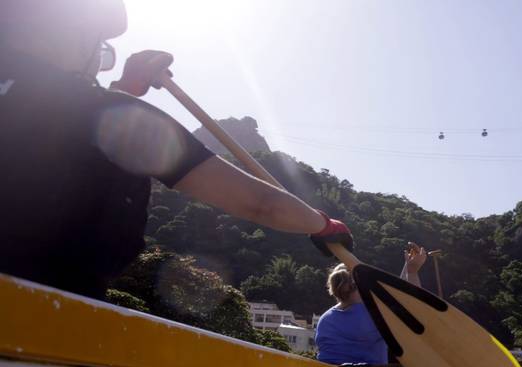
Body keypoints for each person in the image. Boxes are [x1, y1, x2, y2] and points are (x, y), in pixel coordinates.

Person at [0, 0, 353, 300]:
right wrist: (322, 224)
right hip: (41, 320)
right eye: (99, 45)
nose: (98, 57)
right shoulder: (106, 113)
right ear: (71, 35)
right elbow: (262, 204)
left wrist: (121, 91)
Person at [315, 242, 428, 367]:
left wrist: (407, 267)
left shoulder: (325, 319)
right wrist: (412, 272)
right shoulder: (373, 315)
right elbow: (414, 311)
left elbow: (393, 300)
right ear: (363, 284)